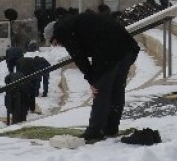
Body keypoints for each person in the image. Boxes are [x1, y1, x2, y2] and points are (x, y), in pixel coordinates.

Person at [50, 12, 140, 143]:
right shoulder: (73, 23)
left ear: (54, 36)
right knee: (116, 90)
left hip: (109, 50)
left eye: (55, 43)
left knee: (101, 91)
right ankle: (111, 127)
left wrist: (92, 81)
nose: (59, 46)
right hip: (126, 48)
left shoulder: (63, 31)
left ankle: (95, 131)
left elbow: (79, 57)